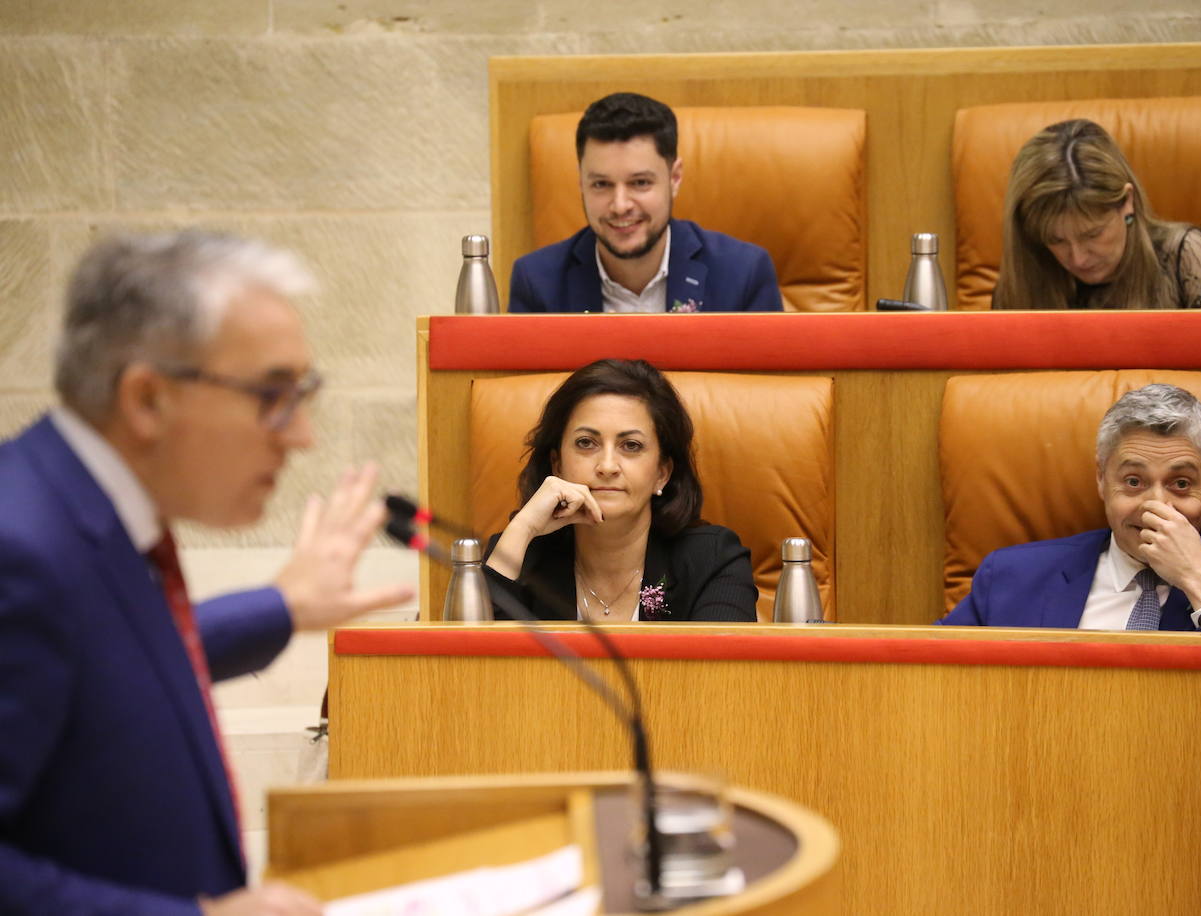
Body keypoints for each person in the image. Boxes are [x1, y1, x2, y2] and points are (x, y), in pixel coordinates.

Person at [0, 230, 413, 914]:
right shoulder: (22, 550)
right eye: (272, 394)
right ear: (147, 400)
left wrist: (282, 606)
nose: (302, 433)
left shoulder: (86, 511)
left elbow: (122, 660)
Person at [939, 384, 1201, 630]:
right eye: (1134, 482)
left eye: (1180, 484)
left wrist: (1197, 579)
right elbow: (936, 684)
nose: (1156, 506)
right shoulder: (1011, 578)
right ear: (1101, 479)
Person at [483, 359, 758, 621]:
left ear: (662, 473)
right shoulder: (518, 553)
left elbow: (722, 669)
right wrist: (523, 528)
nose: (607, 466)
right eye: (586, 443)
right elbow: (470, 665)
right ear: (557, 465)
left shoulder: (712, 559)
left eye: (631, 446)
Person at [508, 92, 784, 314]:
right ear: (581, 183)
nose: (620, 205)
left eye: (640, 183)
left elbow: (764, 385)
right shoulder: (536, 283)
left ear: (674, 178)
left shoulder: (743, 273)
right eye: (601, 184)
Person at [993, 119, 1201, 311]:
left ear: (1127, 202)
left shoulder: (1184, 256)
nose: (1078, 259)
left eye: (1092, 233)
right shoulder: (1023, 273)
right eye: (1056, 240)